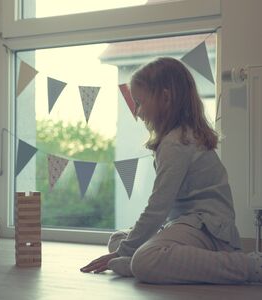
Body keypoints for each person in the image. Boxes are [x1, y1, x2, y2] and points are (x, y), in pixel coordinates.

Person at [80, 57, 262, 284]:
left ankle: (250, 265)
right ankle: (140, 259)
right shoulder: (177, 137)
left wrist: (124, 253)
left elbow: (158, 206)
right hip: (185, 223)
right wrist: (124, 248)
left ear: (165, 98)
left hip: (209, 229)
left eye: (139, 103)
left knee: (143, 258)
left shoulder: (176, 143)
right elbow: (163, 212)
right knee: (118, 240)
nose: (136, 113)